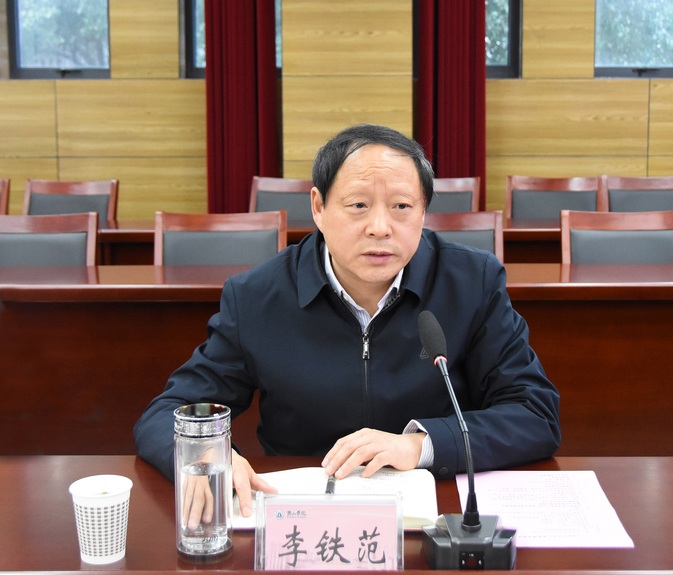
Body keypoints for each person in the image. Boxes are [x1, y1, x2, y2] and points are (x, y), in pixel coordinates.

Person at [134, 123, 561, 520]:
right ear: (319, 207)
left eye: (402, 206)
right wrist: (206, 453)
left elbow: (534, 414)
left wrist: (421, 444)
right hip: (298, 514)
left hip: (431, 514)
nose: (380, 228)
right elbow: (166, 413)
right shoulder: (257, 297)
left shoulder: (471, 283)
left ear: (423, 211)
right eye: (358, 206)